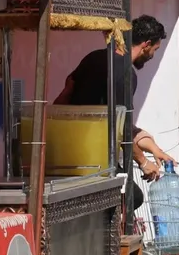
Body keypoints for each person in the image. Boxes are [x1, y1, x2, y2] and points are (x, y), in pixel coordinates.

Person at [55, 16, 170, 209]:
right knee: (133, 197)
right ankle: (109, 237)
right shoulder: (126, 73)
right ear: (146, 44)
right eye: (154, 50)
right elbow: (122, 127)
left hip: (68, 149)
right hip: (97, 156)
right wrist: (143, 162)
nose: (152, 56)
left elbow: (66, 91)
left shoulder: (94, 57)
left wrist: (155, 150)